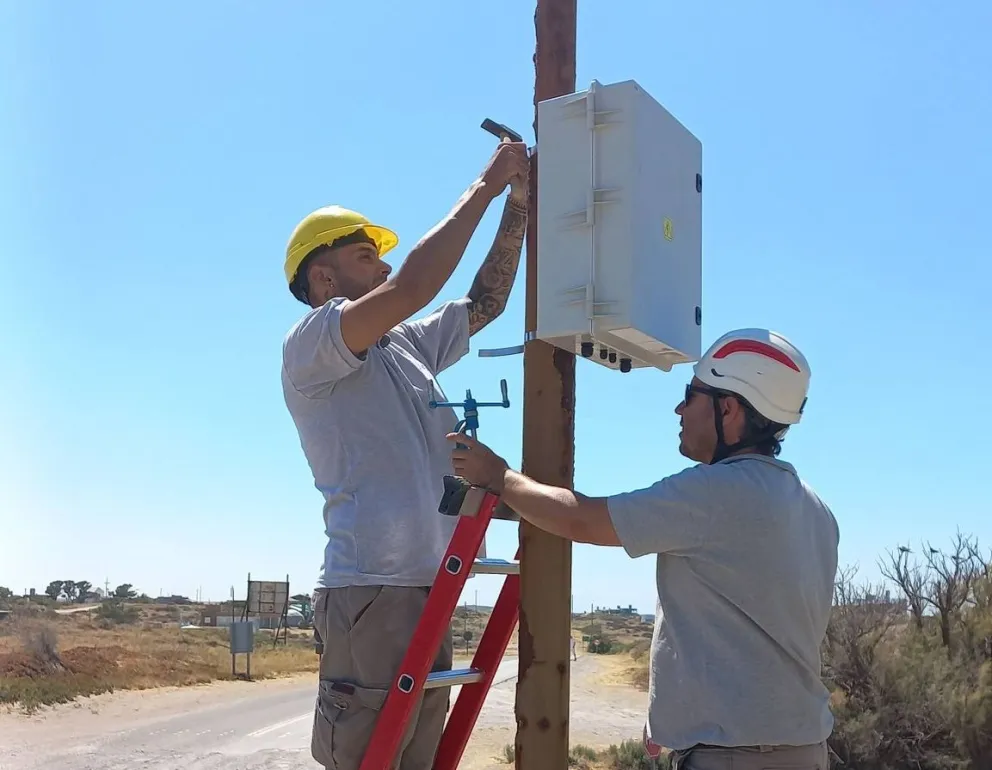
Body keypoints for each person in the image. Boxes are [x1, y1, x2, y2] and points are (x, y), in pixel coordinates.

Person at [446, 329, 840, 770]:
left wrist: (499, 475)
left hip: (734, 754)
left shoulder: (716, 492)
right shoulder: (813, 507)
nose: (679, 408)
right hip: (800, 747)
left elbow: (583, 519)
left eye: (691, 394)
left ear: (728, 408)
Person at [281, 139, 530, 770]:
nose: (384, 270)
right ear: (324, 277)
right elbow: (419, 283)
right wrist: (487, 185)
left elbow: (486, 304)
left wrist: (520, 210)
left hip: (429, 584)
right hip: (372, 590)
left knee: (414, 759)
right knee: (370, 757)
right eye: (368, 258)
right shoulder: (313, 342)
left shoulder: (404, 346)